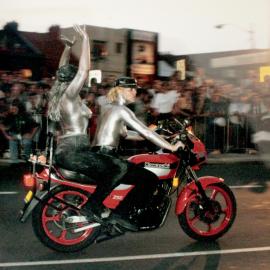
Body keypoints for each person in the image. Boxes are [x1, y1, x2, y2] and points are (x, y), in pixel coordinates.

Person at [47, 26, 136, 231]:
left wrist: (68, 48)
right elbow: (84, 70)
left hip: (72, 149)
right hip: (74, 150)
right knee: (119, 168)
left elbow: (63, 68)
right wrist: (86, 39)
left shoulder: (65, 96)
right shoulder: (69, 97)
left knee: (107, 169)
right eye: (77, 80)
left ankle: (96, 207)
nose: (83, 81)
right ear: (71, 82)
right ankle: (95, 207)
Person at [91, 76, 184, 225]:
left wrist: (162, 137)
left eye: (135, 89)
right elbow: (146, 132)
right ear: (120, 90)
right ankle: (120, 214)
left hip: (100, 155)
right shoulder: (122, 110)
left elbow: (127, 134)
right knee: (149, 179)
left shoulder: (108, 108)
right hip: (107, 157)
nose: (135, 92)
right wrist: (172, 146)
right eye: (131, 89)